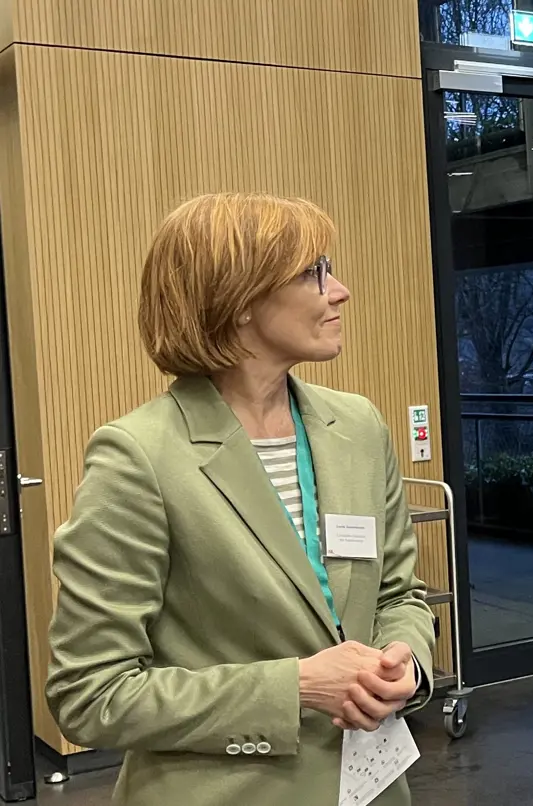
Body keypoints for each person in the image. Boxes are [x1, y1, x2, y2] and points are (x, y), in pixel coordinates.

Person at [45, 193, 437, 806]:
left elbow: (398, 594)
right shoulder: (138, 456)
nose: (340, 292)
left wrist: (405, 662)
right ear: (240, 300)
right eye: (313, 273)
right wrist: (296, 687)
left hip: (372, 788)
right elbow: (91, 694)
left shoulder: (358, 426)